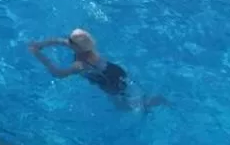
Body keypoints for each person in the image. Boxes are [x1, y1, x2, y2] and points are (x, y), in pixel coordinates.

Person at [28, 29, 165, 111]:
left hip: (107, 80)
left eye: (70, 41)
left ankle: (152, 102)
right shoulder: (86, 47)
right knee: (130, 89)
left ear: (76, 47)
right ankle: (151, 99)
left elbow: (57, 73)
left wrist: (38, 55)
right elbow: (59, 41)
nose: (66, 41)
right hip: (114, 69)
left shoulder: (80, 65)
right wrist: (40, 45)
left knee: (124, 107)